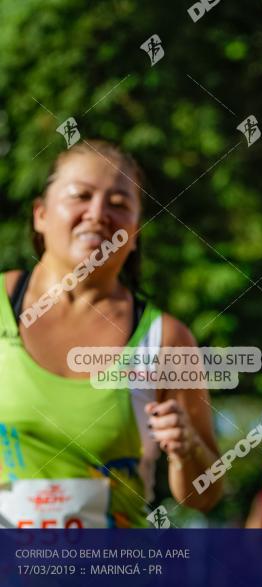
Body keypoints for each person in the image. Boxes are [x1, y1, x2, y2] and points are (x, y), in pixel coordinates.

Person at [0, 141, 222, 528]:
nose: (98, 214)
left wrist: (186, 450)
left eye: (119, 203)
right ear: (40, 214)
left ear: (134, 233)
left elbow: (206, 496)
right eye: (80, 195)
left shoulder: (166, 339)